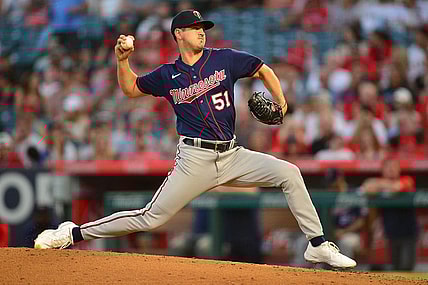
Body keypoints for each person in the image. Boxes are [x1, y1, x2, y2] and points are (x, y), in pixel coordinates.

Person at [34, 10, 356, 268]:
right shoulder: (166, 74)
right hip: (194, 159)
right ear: (179, 34)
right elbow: (130, 89)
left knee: (290, 173)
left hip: (233, 155)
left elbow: (262, 69)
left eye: (203, 27)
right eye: (194, 27)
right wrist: (122, 60)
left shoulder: (223, 59)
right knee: (151, 217)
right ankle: (72, 232)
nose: (202, 31)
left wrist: (282, 101)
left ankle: (317, 246)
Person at [361, 158, 418, 271]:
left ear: (399, 169)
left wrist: (380, 185)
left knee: (406, 268)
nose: (391, 169)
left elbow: (397, 187)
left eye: (394, 167)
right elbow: (367, 187)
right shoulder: (380, 183)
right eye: (388, 167)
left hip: (408, 233)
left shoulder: (406, 179)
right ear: (383, 170)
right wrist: (380, 185)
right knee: (395, 269)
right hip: (390, 233)